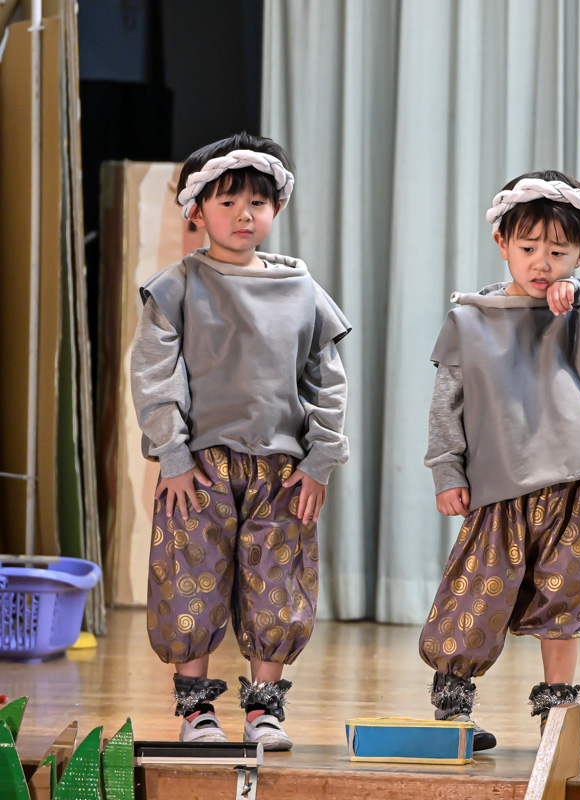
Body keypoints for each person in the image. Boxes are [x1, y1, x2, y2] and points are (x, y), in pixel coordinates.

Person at [132, 132, 351, 750]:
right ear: (196, 210)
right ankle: (196, 711)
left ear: (277, 207)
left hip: (282, 468)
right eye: (226, 202)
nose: (243, 214)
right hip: (197, 467)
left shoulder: (303, 290)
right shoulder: (176, 286)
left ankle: (263, 709)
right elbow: (153, 375)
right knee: (189, 579)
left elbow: (327, 382)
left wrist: (320, 460)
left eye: (257, 201)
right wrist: (172, 454)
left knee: (278, 585)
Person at [420, 170, 580, 750]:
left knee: (569, 590)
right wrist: (447, 469)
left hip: (572, 479)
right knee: (477, 589)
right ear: (502, 242)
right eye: (527, 248)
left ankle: (557, 710)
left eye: (558, 251)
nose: (541, 262)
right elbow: (447, 402)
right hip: (500, 481)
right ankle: (453, 705)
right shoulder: (471, 318)